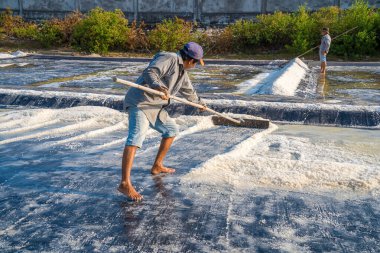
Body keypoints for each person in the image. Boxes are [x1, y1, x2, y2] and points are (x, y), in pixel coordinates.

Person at [118, 42, 206, 201]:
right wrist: (158, 87)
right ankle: (124, 183)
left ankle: (157, 165)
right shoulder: (170, 58)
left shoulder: (182, 73)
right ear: (191, 60)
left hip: (155, 106)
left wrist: (200, 103)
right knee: (136, 137)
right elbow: (150, 72)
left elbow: (189, 91)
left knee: (171, 130)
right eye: (196, 63)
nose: (195, 66)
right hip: (140, 102)